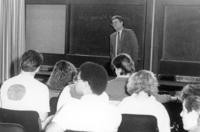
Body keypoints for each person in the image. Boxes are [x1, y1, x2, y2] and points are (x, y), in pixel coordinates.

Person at [46, 62, 122, 132]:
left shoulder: (69, 108)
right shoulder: (115, 113)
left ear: (85, 84)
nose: (75, 82)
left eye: (78, 79)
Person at [0, 50, 50, 129]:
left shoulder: (5, 84)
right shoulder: (42, 88)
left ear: (20, 64)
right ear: (38, 68)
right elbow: (42, 118)